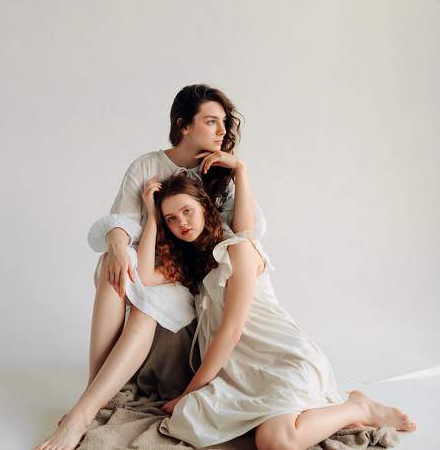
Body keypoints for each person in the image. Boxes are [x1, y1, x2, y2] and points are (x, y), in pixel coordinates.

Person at [34, 84, 267, 450]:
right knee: (112, 263)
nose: (222, 131)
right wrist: (116, 243)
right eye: (211, 121)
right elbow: (121, 221)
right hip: (152, 268)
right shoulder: (147, 165)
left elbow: (246, 234)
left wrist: (241, 172)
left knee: (147, 306)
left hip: (194, 282)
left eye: (224, 122)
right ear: (183, 125)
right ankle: (93, 394)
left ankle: (84, 412)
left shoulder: (222, 172)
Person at [135, 172, 417, 450]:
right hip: (242, 374)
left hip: (284, 360)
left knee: (275, 442)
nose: (182, 223)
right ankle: (317, 413)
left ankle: (358, 407)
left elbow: (231, 331)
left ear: (205, 207)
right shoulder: (193, 266)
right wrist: (151, 216)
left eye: (187, 211)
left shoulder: (238, 249)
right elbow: (145, 275)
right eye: (171, 218)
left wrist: (189, 393)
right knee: (194, 422)